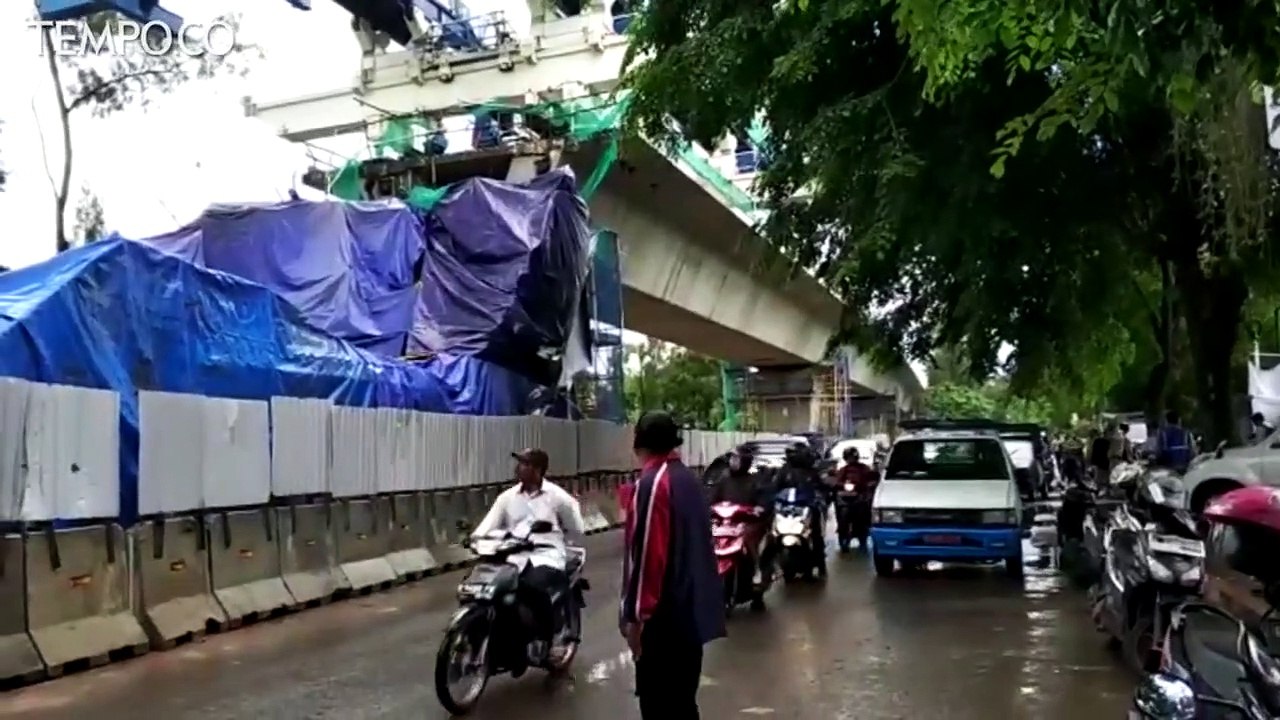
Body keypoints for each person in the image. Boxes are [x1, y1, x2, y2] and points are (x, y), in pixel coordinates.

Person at [621, 410, 724, 720]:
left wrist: (636, 618)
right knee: (682, 705)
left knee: (659, 707)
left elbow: (649, 558)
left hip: (665, 621)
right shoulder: (687, 479)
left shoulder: (654, 483)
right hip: (689, 617)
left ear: (639, 441)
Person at [472, 448, 586, 665]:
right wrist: (476, 540)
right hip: (513, 555)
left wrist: (562, 545)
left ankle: (550, 640)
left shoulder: (558, 497)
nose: (520, 468)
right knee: (487, 588)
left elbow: (576, 528)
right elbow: (486, 527)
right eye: (520, 463)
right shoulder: (506, 498)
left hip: (546, 555)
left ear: (539, 470)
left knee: (533, 588)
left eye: (526, 464)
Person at [771, 441, 829, 577]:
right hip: (787, 509)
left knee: (816, 532)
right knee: (772, 533)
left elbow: (820, 486)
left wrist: (820, 495)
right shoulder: (783, 471)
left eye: (795, 453)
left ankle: (820, 560)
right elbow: (774, 487)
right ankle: (768, 566)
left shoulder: (811, 472)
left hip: (807, 507)